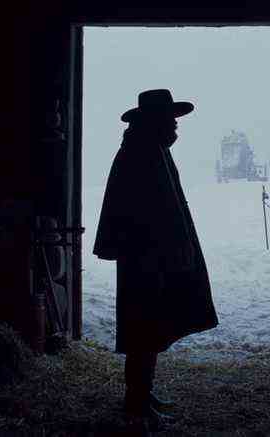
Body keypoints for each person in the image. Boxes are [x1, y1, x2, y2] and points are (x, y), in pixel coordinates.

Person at [92, 89, 219, 428]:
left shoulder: (149, 149)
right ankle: (136, 401)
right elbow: (146, 211)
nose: (176, 128)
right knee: (144, 328)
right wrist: (164, 250)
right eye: (171, 121)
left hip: (151, 256)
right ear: (155, 121)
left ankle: (142, 394)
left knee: (150, 326)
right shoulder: (141, 153)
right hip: (145, 258)